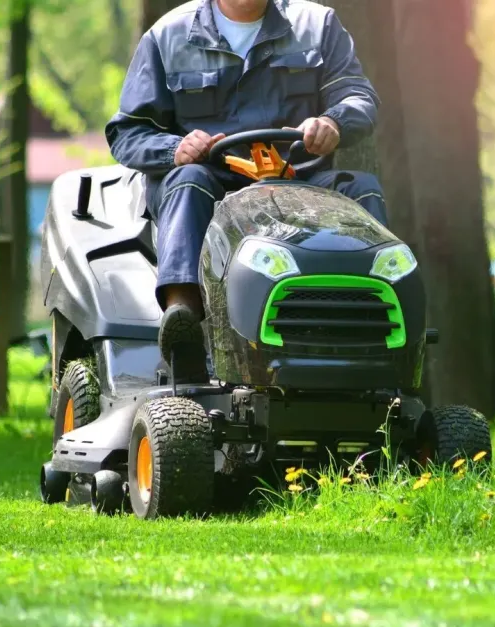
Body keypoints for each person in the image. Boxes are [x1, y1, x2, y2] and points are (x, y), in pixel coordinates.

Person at [105, 0, 384, 382]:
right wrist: (175, 149)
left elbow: (358, 97)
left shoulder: (317, 25)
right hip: (211, 183)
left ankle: (368, 323)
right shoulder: (167, 36)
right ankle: (183, 321)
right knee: (188, 181)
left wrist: (334, 121)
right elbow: (128, 132)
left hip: (299, 181)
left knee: (362, 189)